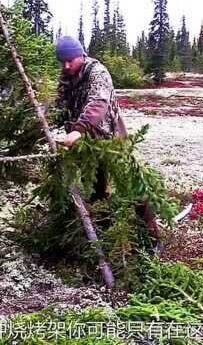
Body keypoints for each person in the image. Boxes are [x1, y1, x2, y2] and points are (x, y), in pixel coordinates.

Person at [54, 36, 161, 248]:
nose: (66, 65)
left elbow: (98, 103)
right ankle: (104, 235)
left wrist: (78, 129)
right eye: (62, 61)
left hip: (111, 140)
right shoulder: (66, 76)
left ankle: (152, 238)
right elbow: (60, 103)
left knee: (134, 187)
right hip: (87, 145)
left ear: (81, 55)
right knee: (97, 189)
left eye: (70, 60)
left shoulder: (98, 72)